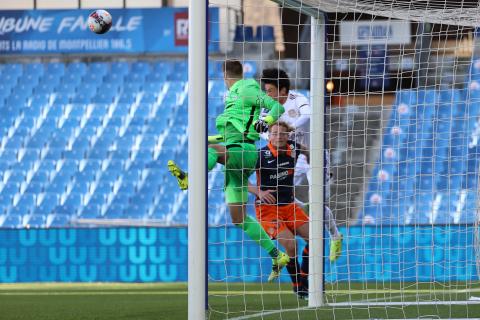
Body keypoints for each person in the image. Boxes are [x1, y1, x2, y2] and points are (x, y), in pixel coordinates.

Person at [168, 60, 289, 281]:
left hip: (244, 151)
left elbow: (277, 107)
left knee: (211, 149)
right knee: (239, 218)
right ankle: (277, 255)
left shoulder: (246, 88)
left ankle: (190, 179)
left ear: (225, 76)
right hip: (235, 153)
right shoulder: (234, 95)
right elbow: (230, 134)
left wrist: (267, 121)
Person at [260, 68, 343, 262]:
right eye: (265, 91)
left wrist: (288, 130)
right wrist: (270, 134)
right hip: (291, 157)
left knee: (318, 202)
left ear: (283, 90)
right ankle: (303, 209)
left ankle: (335, 237)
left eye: (270, 90)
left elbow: (308, 115)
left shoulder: (298, 99)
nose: (267, 95)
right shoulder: (266, 108)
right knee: (281, 195)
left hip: (312, 154)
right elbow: (262, 130)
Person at [248, 121, 310, 299]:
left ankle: (304, 279)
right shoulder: (259, 155)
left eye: (282, 134)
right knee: (292, 245)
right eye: (274, 133)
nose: (278, 137)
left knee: (315, 238)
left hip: (289, 206)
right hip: (267, 210)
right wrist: (258, 191)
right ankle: (298, 285)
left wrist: (315, 164)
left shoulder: (293, 148)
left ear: (288, 135)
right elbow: (239, 178)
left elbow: (306, 151)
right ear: (268, 135)